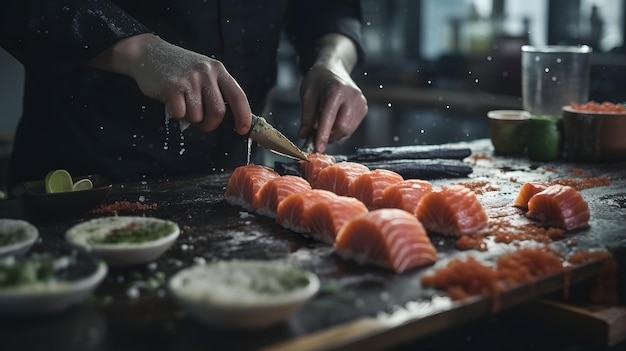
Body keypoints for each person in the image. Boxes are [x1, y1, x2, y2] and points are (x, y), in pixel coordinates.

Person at [0, 0, 368, 195]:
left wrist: (333, 60)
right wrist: (140, 51)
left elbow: (328, 8)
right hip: (84, 173)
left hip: (229, 178)